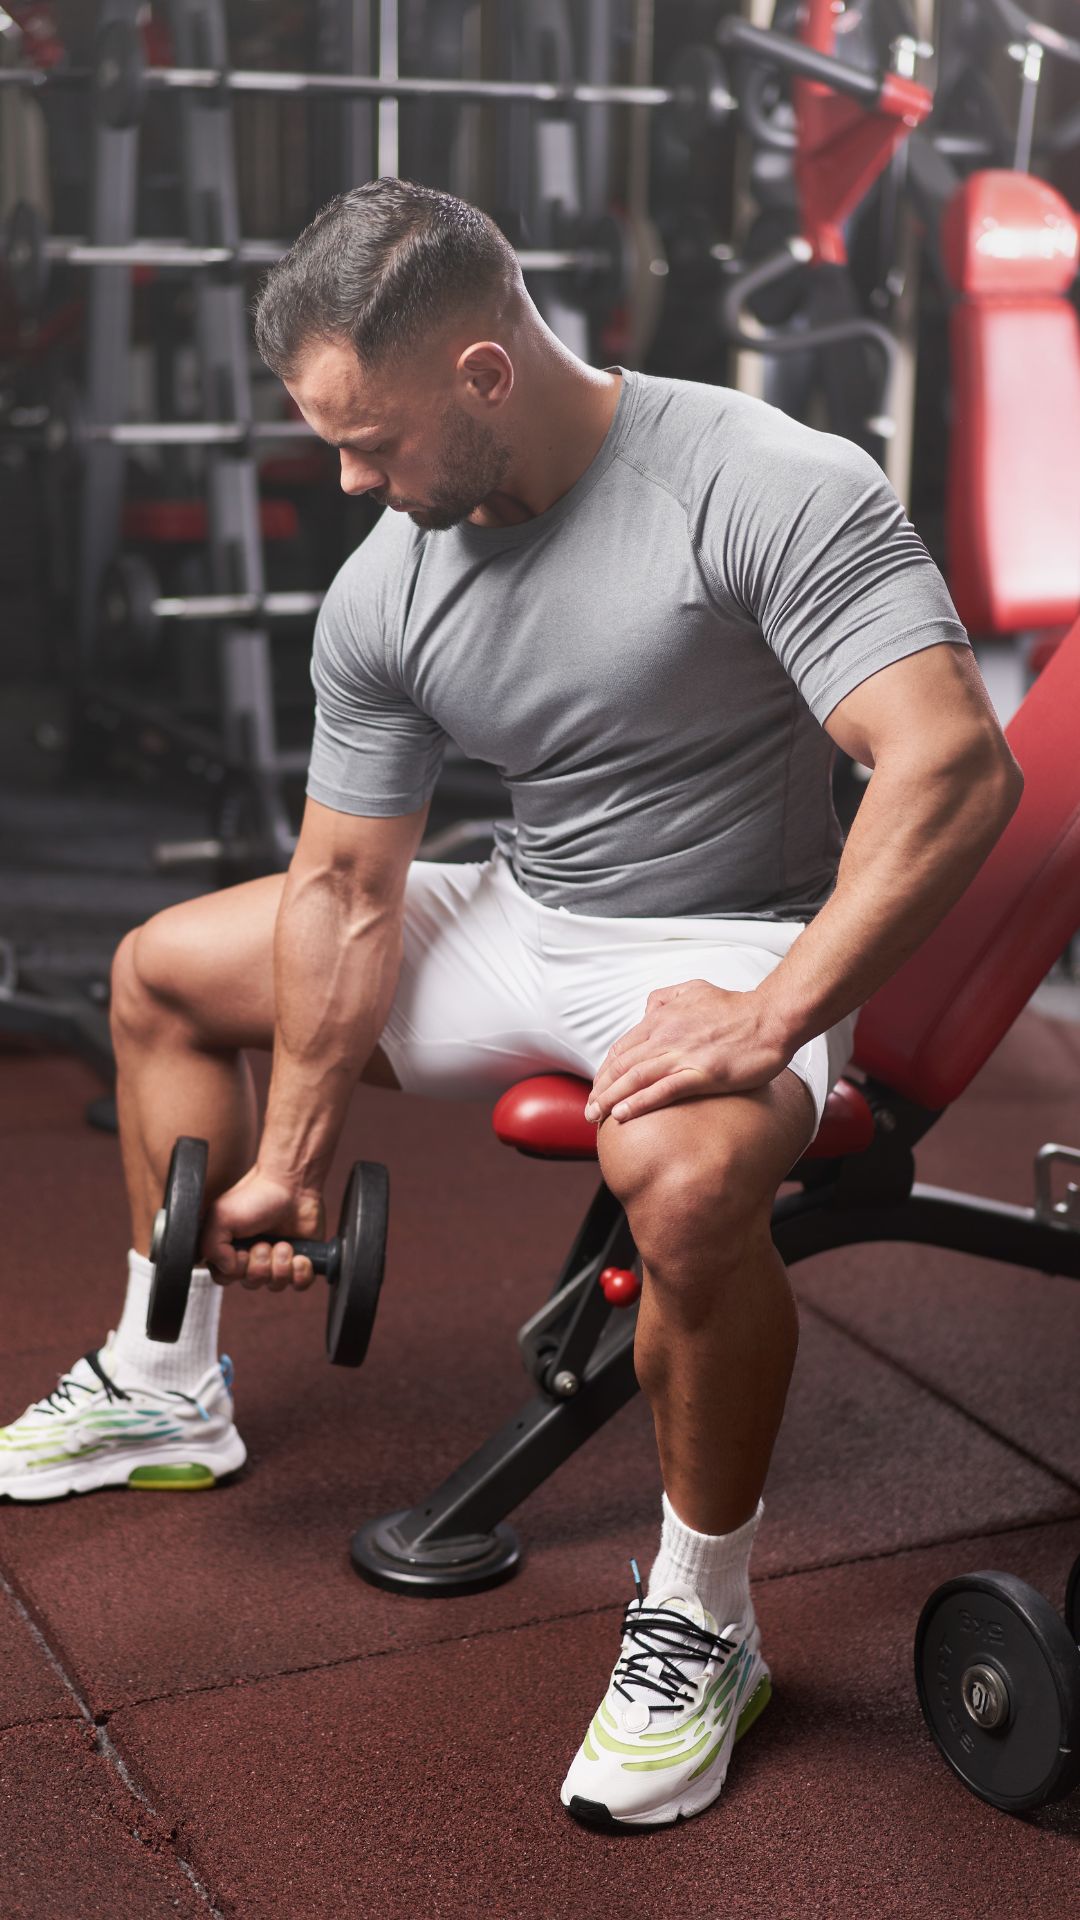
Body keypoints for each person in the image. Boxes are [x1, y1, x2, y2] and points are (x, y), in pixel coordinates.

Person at [0, 180, 1022, 1830]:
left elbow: (953, 768)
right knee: (159, 974)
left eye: (370, 441)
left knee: (683, 1184)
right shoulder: (391, 581)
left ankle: (705, 1619)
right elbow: (346, 890)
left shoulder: (759, 481)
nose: (350, 481)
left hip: (729, 933)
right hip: (526, 908)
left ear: (485, 371)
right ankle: (165, 1379)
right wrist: (291, 1158)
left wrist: (768, 1016)